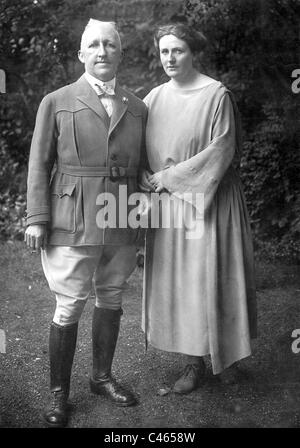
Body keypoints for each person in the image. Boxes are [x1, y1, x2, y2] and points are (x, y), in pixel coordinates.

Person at [24, 19, 147, 427]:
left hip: (121, 215)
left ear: (120, 53)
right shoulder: (56, 101)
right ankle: (60, 395)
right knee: (69, 303)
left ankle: (101, 377)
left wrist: (145, 208)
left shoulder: (137, 105)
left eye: (110, 45)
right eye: (93, 45)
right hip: (72, 215)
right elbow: (39, 164)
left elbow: (144, 167)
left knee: (111, 295)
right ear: (81, 54)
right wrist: (37, 218)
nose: (102, 52)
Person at [140, 23, 257, 394]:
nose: (170, 59)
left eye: (178, 51)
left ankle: (228, 358)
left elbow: (221, 149)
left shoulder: (215, 94)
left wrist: (170, 177)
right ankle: (194, 363)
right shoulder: (152, 99)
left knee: (216, 276)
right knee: (183, 285)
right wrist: (146, 177)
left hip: (212, 198)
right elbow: (137, 154)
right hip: (172, 208)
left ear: (193, 52)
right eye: (164, 52)